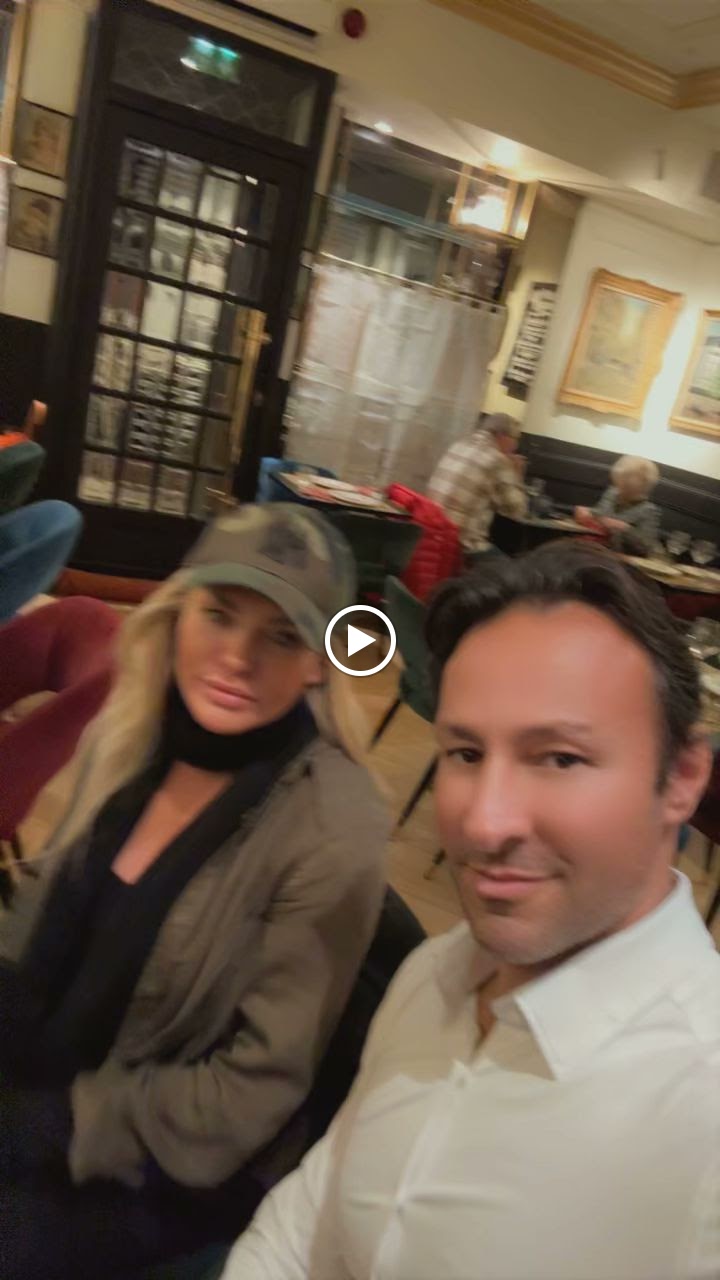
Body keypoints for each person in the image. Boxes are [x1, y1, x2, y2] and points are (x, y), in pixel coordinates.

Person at [222, 539, 720, 1280]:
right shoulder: (432, 973)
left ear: (680, 778)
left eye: (559, 758)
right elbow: (309, 1221)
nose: (485, 824)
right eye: (464, 753)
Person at [0, 504, 389, 1279]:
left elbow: (251, 1093)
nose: (237, 657)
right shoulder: (132, 731)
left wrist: (45, 1126)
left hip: (156, 1163)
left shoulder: (335, 827)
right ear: (178, 613)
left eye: (282, 636)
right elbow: (42, 900)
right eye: (219, 614)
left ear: (319, 664)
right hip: (41, 1074)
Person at [427, 412, 528, 563]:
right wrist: (517, 474)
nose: (516, 446)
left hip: (431, 533)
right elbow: (517, 511)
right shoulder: (497, 460)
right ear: (502, 436)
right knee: (513, 570)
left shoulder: (458, 446)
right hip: (461, 543)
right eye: (515, 439)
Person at [574, 454, 661, 555]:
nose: (620, 488)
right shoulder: (612, 493)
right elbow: (601, 514)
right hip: (593, 547)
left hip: (618, 557)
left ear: (644, 487)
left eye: (627, 485)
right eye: (619, 482)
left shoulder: (649, 510)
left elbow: (647, 547)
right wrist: (587, 512)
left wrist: (625, 528)